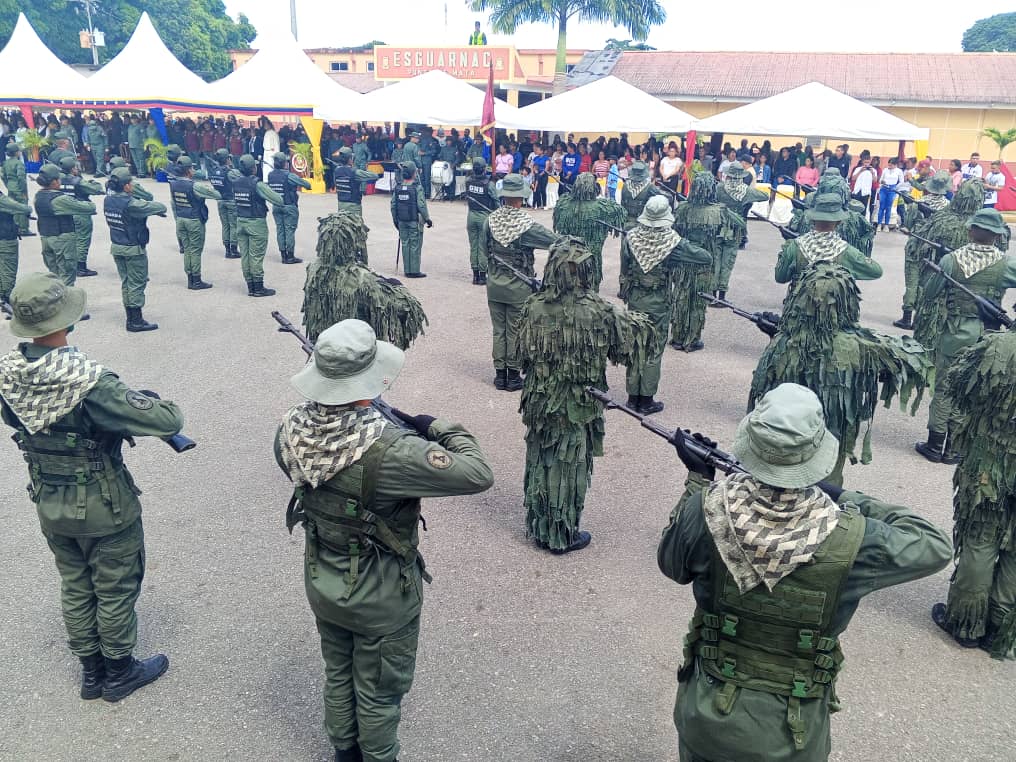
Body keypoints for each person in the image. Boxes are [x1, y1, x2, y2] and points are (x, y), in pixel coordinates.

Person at [658, 382, 951, 762]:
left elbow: (672, 565)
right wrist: (843, 495)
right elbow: (934, 544)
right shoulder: (854, 539)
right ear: (814, 456)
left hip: (707, 718)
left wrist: (698, 483)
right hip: (792, 736)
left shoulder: (707, 510)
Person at [276, 319, 493, 762]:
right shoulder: (391, 450)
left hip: (323, 577)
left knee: (338, 671)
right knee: (377, 690)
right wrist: (437, 426)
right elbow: (476, 473)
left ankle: (344, 752)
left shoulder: (289, 431)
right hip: (380, 596)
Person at [0, 271, 186, 702]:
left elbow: (19, 420)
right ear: (65, 322)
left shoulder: (9, 374)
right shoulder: (87, 380)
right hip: (104, 505)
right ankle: (119, 672)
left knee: (75, 582)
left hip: (49, 499)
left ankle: (91, 672)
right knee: (115, 585)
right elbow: (168, 420)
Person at [517, 237, 652, 554]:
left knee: (543, 460)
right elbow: (630, 348)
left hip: (540, 399)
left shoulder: (533, 307)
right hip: (578, 404)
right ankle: (561, 535)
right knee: (570, 466)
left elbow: (521, 356)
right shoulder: (602, 312)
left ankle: (541, 526)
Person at [752, 262, 930, 484]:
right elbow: (916, 362)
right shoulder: (860, 347)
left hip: (782, 444)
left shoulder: (782, 344)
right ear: (848, 302)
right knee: (827, 490)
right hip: (830, 445)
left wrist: (779, 332)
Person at [931, 324, 1016, 659]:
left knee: (982, 538)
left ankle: (966, 625)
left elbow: (956, 386)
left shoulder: (999, 346)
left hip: (990, 464)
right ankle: (1000, 627)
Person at [915, 209, 1016, 464]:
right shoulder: (1005, 265)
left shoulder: (952, 259)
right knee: (970, 390)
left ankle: (935, 445)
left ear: (970, 231)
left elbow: (929, 293)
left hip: (954, 332)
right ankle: (955, 448)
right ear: (996, 236)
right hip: (987, 335)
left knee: (945, 388)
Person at [621, 196, 711, 414]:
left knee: (635, 347)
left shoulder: (630, 237)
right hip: (659, 303)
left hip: (635, 301)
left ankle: (632, 398)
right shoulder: (673, 242)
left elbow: (624, 269)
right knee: (653, 349)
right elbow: (704, 257)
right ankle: (646, 400)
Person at [479, 174, 558, 391]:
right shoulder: (526, 225)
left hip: (494, 284)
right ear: (521, 198)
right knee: (515, 330)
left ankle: (499, 375)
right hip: (519, 287)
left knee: (499, 330)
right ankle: (513, 376)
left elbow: (483, 251)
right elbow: (555, 242)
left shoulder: (490, 220)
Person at [302, 212, 426, 348]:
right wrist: (396, 286)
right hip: (354, 351)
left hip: (322, 347)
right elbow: (409, 309)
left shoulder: (314, 271)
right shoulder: (363, 279)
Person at [912, 180, 995, 357]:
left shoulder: (941, 219)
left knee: (928, 338)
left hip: (938, 287)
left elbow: (918, 248)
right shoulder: (988, 229)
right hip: (975, 301)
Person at [670, 173, 741, 352]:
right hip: (705, 262)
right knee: (698, 300)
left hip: (682, 261)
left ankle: (678, 337)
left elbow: (673, 230)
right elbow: (739, 224)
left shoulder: (683, 208)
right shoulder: (719, 211)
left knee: (681, 298)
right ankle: (692, 339)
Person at [103, 167, 167, 332]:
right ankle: (136, 321)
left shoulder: (108, 200)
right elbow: (159, 206)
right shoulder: (131, 203)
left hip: (117, 246)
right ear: (126, 186)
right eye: (131, 183)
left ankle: (131, 318)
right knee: (137, 283)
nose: (133, 186)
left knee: (126, 283)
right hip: (132, 249)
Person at [775, 194, 883, 287]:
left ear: (812, 219)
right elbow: (876, 271)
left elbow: (780, 277)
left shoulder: (795, 246)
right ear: (839, 222)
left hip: (798, 309)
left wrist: (785, 251)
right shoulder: (846, 250)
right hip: (835, 311)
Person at [892, 171, 952, 329]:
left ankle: (906, 317)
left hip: (915, 246)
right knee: (926, 283)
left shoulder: (918, 202)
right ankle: (921, 317)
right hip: (934, 249)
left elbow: (909, 224)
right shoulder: (948, 206)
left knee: (912, 281)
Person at [552, 172, 626, 292]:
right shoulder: (602, 208)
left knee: (566, 289)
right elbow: (621, 211)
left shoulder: (563, 204)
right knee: (590, 290)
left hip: (566, 255)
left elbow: (562, 201)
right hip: (591, 257)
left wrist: (572, 195)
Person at [34, 164, 96, 288]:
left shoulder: (38, 195)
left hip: (46, 237)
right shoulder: (59, 199)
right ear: (54, 182)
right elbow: (89, 208)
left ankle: (56, 301)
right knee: (67, 275)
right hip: (61, 239)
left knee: (54, 274)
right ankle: (66, 303)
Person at [234, 153, 286, 298]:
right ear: (253, 168)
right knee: (255, 256)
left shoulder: (236, 182)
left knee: (245, 256)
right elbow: (278, 200)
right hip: (255, 223)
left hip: (240, 221)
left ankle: (250, 286)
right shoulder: (257, 184)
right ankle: (258, 288)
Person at [170, 156, 221, 290]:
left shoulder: (173, 183)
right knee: (196, 250)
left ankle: (190, 278)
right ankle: (197, 280)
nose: (194, 170)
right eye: (192, 168)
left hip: (181, 219)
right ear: (188, 171)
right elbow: (216, 195)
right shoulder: (195, 186)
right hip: (193, 219)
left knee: (187, 249)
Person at [57, 156, 105, 279]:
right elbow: (97, 190)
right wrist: (93, 182)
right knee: (83, 239)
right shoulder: (77, 181)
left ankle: (68, 263)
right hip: (80, 212)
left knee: (69, 239)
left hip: (65, 212)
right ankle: (81, 267)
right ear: (73, 168)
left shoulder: (57, 179)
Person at [267, 152, 312, 266]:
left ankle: (283, 255)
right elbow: (306, 185)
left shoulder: (270, 175)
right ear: (285, 164)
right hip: (289, 206)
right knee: (289, 230)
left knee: (280, 230)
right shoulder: (289, 175)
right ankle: (290, 256)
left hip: (276, 206)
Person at [715, 162, 767, 257]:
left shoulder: (720, 187)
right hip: (738, 226)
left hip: (720, 225)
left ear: (728, 175)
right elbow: (765, 196)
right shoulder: (745, 190)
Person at [390, 162, 432, 279]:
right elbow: (421, 205)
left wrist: (395, 220)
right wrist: (427, 219)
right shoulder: (417, 188)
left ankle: (407, 270)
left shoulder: (398, 188)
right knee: (415, 244)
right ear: (414, 173)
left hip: (402, 220)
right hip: (414, 221)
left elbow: (393, 205)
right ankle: (414, 271)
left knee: (405, 243)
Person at [465, 157, 499, 285]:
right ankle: (482, 276)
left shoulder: (468, 181)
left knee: (473, 246)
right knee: (483, 247)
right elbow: (495, 201)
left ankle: (475, 275)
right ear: (484, 169)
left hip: (471, 216)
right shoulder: (488, 184)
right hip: (484, 217)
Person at [0, 188, 32, 312]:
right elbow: (24, 208)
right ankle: (7, 300)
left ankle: (3, 297)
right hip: (5, 239)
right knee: (8, 270)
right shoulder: (2, 200)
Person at [333, 146, 381, 220]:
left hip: (341, 205)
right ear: (350, 159)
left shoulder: (336, 171)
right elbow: (375, 176)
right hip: (353, 206)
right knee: (355, 229)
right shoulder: (354, 172)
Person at [209, 148, 240, 259]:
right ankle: (234, 249)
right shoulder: (230, 172)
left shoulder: (212, 170)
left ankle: (227, 249)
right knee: (233, 225)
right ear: (227, 159)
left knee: (225, 225)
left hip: (220, 200)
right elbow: (239, 178)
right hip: (231, 200)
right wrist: (231, 166)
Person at [2, 142, 32, 236]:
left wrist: (8, 185)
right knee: (22, 207)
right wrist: (23, 191)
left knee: (13, 207)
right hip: (19, 188)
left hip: (11, 187)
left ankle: (15, 227)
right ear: (16, 152)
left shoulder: (5, 163)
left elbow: (3, 176)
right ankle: (24, 229)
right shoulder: (19, 163)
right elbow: (21, 178)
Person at [876, 157, 904, 231]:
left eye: (891, 165)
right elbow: (880, 179)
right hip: (884, 188)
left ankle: (886, 225)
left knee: (889, 207)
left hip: (892, 189)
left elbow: (901, 182)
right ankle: (879, 224)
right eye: (888, 165)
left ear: (895, 165)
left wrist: (895, 187)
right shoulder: (885, 170)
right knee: (881, 206)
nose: (889, 167)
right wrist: (882, 181)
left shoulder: (899, 171)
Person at [260, 118, 279, 182]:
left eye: (265, 124)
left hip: (270, 154)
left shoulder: (271, 133)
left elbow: (271, 145)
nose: (264, 126)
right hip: (269, 153)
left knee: (269, 168)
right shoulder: (270, 133)